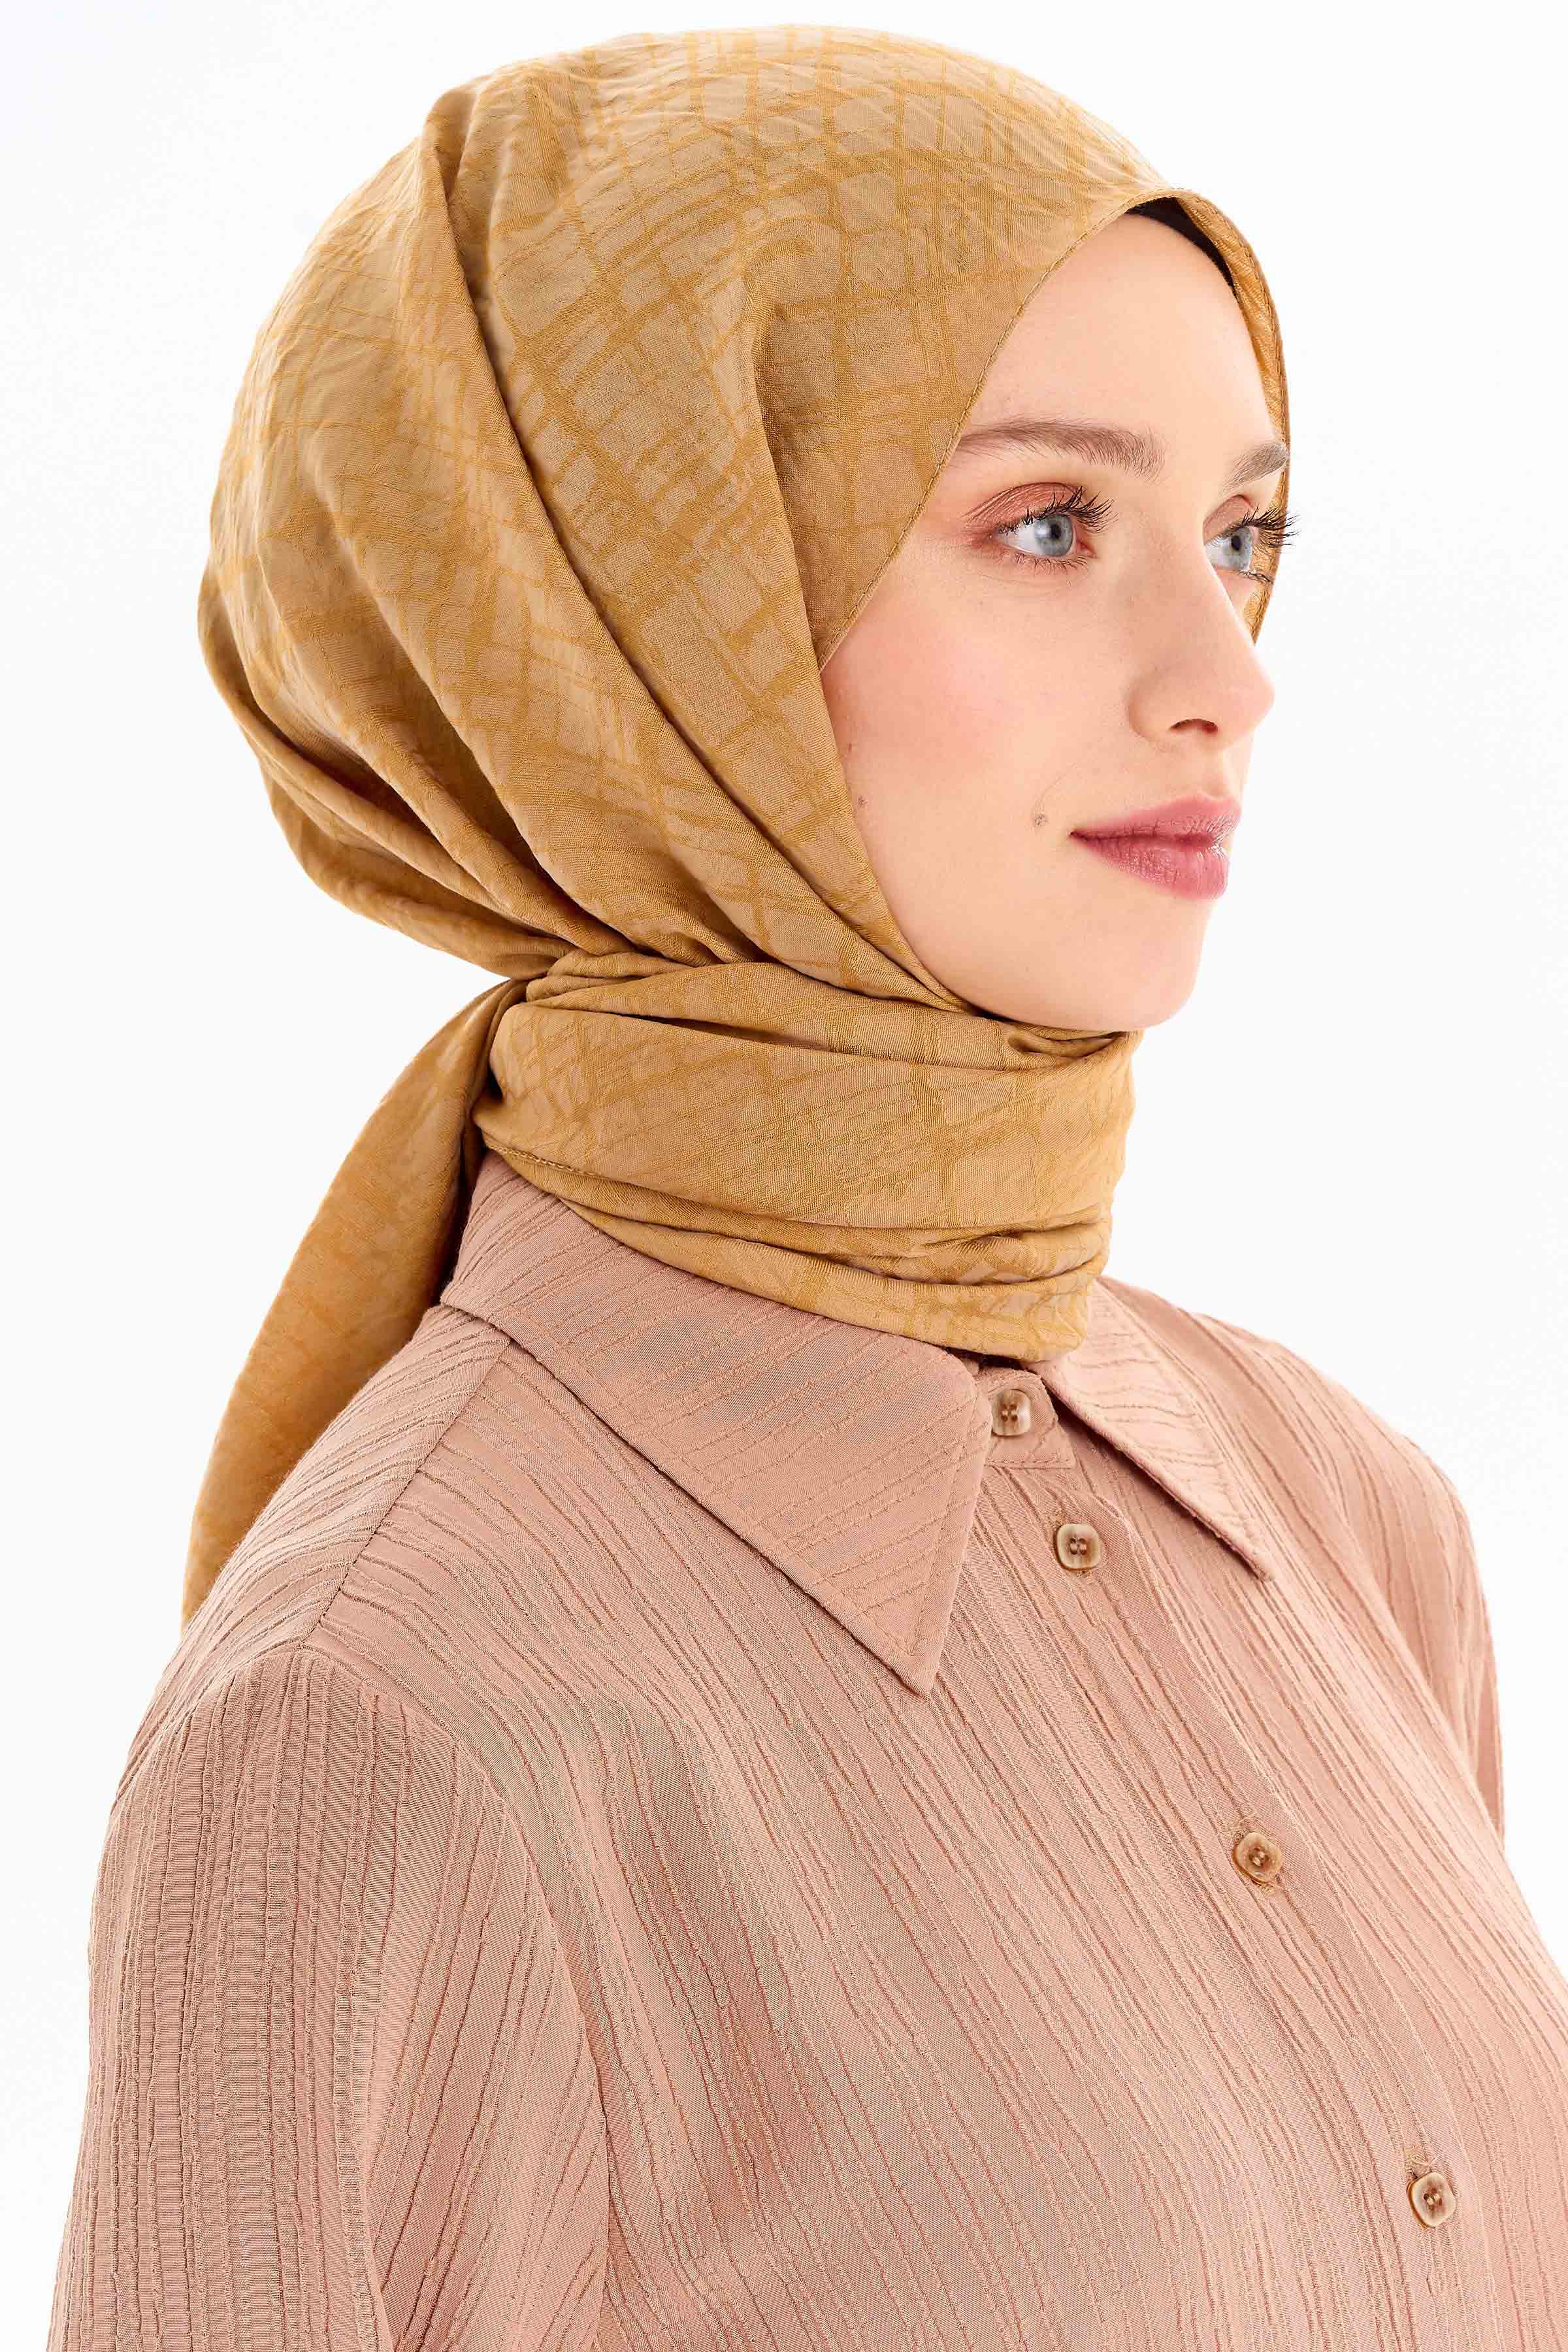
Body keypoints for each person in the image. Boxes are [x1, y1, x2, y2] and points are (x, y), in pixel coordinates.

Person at [46, 25, 1568, 2351]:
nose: (1228, 676)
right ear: (633, 634)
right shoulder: (379, 1719)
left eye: (1242, 538)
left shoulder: (1350, 1519)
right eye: (1049, 527)